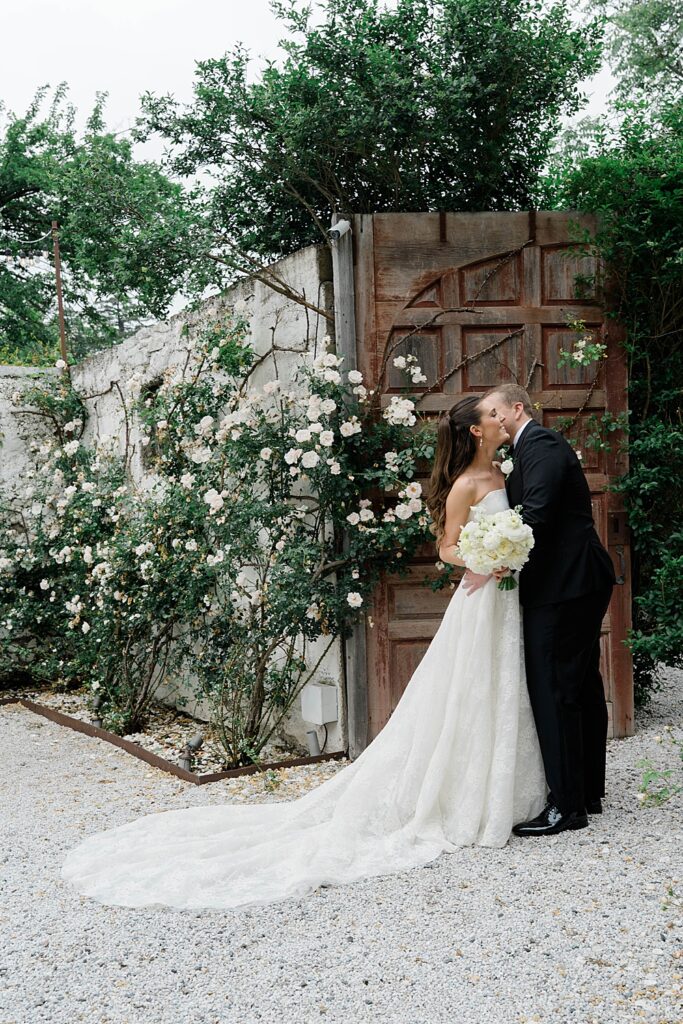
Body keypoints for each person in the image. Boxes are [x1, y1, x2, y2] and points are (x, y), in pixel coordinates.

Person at [61, 396, 546, 911]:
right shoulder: (466, 485)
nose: (502, 418)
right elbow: (446, 546)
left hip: (507, 597)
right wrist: (484, 557)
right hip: (481, 597)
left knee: (503, 683)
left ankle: (505, 788)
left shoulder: (506, 471)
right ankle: (463, 796)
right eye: (492, 415)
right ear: (474, 431)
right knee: (470, 689)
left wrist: (507, 552)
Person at [477, 384, 616, 837]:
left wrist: (497, 556)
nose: (491, 422)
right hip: (572, 582)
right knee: (578, 684)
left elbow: (535, 515)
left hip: (565, 584)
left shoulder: (542, 444)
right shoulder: (527, 450)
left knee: (554, 687)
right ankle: (586, 792)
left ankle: (567, 806)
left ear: (516, 409)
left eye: (494, 413)